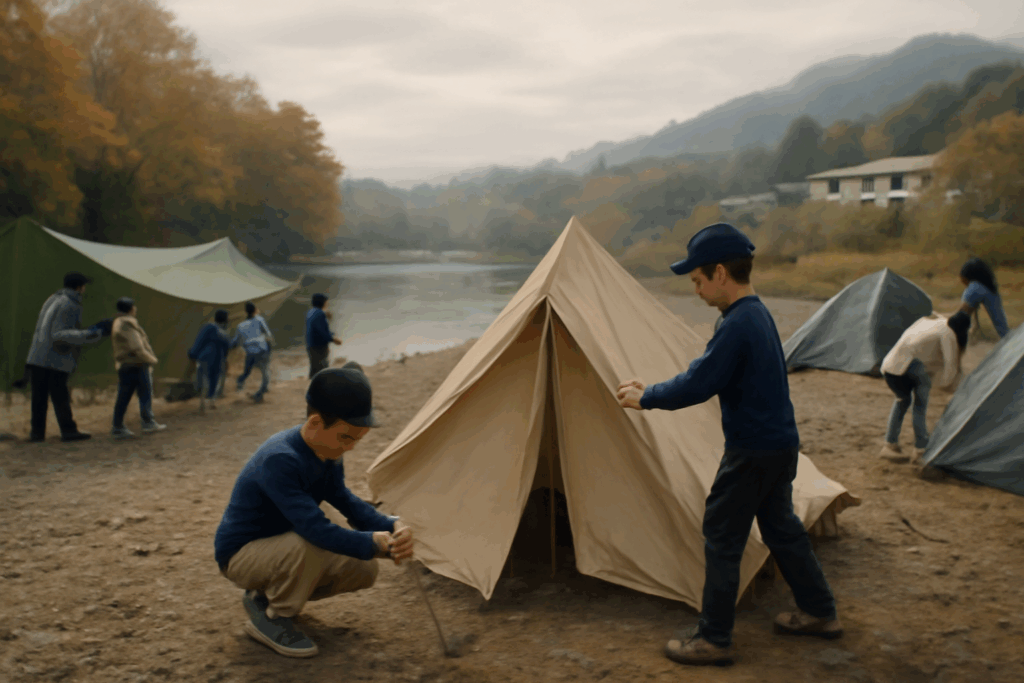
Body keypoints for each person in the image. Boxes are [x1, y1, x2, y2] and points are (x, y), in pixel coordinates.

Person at [615, 223, 841, 667]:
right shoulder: (755, 314)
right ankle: (820, 611)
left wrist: (648, 398)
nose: (696, 290)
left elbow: (701, 381)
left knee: (721, 533)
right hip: (779, 444)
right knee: (780, 527)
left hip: (752, 450)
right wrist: (656, 388)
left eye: (697, 280)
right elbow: (708, 371)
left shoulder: (738, 323)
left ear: (720, 273)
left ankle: (714, 638)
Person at [213, 362, 413, 658]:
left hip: (284, 542)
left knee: (363, 568)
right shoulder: (281, 459)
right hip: (241, 554)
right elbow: (314, 529)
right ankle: (273, 620)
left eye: (357, 440)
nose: (351, 448)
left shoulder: (328, 450)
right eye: (347, 438)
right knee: (312, 544)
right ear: (316, 423)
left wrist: (391, 525)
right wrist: (370, 542)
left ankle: (267, 595)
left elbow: (344, 499)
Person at [878, 312, 971, 464]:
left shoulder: (929, 321)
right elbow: (951, 366)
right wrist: (952, 387)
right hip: (909, 366)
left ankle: (890, 445)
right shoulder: (949, 334)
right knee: (919, 405)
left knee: (902, 400)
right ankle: (920, 448)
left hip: (889, 366)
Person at [24, 271, 103, 442]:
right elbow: (60, 334)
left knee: (39, 398)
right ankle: (68, 431)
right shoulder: (70, 304)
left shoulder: (53, 298)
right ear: (79, 287)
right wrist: (89, 334)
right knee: (60, 396)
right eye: (84, 286)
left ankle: (37, 433)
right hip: (54, 358)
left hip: (37, 356)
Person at [110, 297, 167, 439]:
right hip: (136, 364)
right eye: (134, 307)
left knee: (125, 396)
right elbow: (137, 347)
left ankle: (119, 426)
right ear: (131, 309)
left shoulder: (119, 322)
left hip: (128, 365)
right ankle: (145, 423)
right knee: (143, 395)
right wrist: (152, 360)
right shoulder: (126, 324)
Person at [188, 309, 231, 413]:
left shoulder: (208, 327)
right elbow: (227, 347)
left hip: (205, 357)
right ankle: (211, 402)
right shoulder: (224, 332)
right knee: (214, 380)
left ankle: (202, 405)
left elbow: (199, 341)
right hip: (218, 358)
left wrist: (192, 354)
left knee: (204, 380)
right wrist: (225, 359)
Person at [232, 302, 275, 403]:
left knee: (247, 371)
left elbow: (235, 341)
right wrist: (269, 346)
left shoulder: (240, 326)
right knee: (265, 372)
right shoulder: (259, 319)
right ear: (255, 310)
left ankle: (239, 384)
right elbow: (268, 334)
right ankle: (260, 393)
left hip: (250, 351)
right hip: (262, 349)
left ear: (245, 312)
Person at [957, 257, 1009, 339]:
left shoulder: (974, 288)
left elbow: (961, 317)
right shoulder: (989, 287)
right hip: (1004, 336)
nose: (964, 284)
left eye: (963, 281)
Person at [305, 293, 342, 379]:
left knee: (314, 368)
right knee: (322, 370)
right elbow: (323, 332)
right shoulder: (319, 314)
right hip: (318, 346)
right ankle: (321, 388)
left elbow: (321, 329)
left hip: (311, 344)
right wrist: (333, 339)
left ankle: (313, 387)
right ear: (323, 303)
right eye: (326, 302)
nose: (327, 304)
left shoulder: (311, 312)